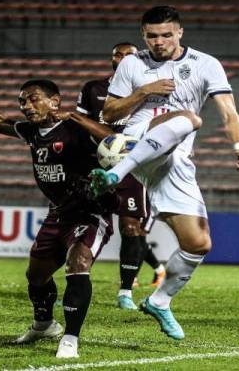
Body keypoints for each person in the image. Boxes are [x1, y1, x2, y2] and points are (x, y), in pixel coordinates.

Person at [90, 6, 239, 340]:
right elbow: (109, 112)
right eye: (152, 36)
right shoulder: (132, 64)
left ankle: (160, 301)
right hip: (134, 144)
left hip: (175, 156)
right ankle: (115, 174)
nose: (159, 41)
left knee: (198, 243)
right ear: (143, 35)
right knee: (190, 118)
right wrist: (144, 92)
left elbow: (228, 112)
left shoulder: (206, 65)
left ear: (180, 33)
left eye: (166, 34)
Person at [0, 66, 117, 358]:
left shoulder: (76, 127)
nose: (26, 106)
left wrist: (76, 117)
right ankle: (44, 324)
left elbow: (113, 139)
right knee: (36, 277)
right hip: (57, 214)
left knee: (78, 263)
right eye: (22, 101)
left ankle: (70, 338)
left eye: (33, 99)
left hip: (90, 212)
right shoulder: (32, 132)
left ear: (54, 101)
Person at [76, 42, 165, 310]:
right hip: (97, 164)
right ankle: (76, 281)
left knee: (131, 226)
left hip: (132, 166)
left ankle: (126, 290)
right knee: (83, 222)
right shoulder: (93, 88)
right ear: (112, 58)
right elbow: (80, 124)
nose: (124, 57)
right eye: (118, 53)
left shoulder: (149, 89)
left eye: (130, 54)